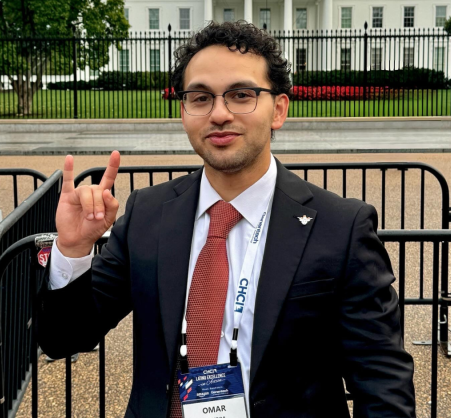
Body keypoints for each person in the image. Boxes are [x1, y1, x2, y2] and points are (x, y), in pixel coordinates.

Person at [37, 21, 416, 418]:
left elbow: (382, 383)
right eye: (200, 98)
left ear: (279, 109)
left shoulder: (340, 227)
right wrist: (74, 250)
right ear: (184, 111)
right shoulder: (148, 215)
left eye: (241, 95)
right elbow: (65, 337)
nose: (219, 114)